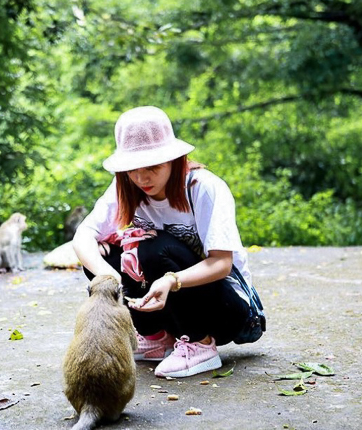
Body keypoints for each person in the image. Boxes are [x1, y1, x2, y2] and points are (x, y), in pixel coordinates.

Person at [73, 106, 255, 378]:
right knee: (107, 255)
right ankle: (155, 337)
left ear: (174, 160)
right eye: (132, 169)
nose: (142, 178)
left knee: (152, 250)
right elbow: (83, 236)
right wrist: (110, 275)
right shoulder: (126, 187)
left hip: (226, 310)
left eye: (152, 167)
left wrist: (172, 280)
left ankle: (200, 343)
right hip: (167, 305)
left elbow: (222, 264)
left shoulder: (203, 187)